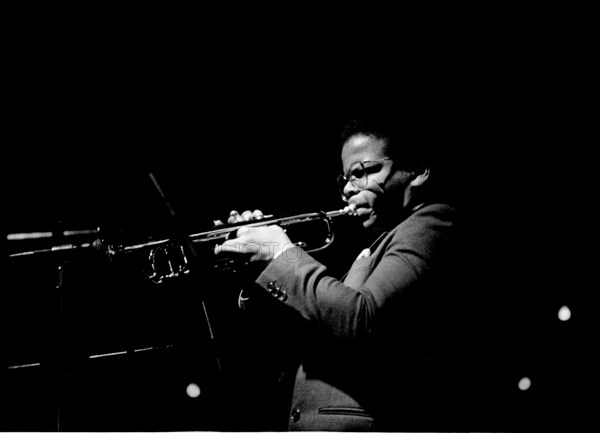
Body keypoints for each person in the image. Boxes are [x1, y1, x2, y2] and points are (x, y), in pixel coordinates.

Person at [213, 112, 475, 431]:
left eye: (362, 173)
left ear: (417, 171)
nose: (348, 190)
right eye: (345, 179)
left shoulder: (435, 224)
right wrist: (259, 270)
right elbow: (319, 336)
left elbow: (362, 318)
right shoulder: (374, 249)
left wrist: (280, 254)